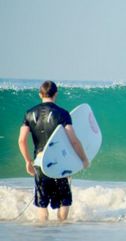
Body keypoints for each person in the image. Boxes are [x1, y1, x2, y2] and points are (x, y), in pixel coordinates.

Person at [18, 80, 89, 222]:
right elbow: (74, 141)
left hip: (39, 163)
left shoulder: (29, 114)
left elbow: (21, 140)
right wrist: (83, 159)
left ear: (40, 94)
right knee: (64, 200)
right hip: (58, 164)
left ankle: (43, 233)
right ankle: (61, 230)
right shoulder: (63, 114)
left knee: (42, 204)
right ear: (56, 94)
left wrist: (27, 161)